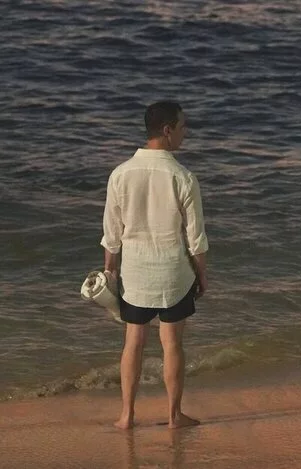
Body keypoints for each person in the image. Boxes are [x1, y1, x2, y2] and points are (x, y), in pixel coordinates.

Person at [101, 101, 208, 429]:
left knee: (133, 342)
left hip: (135, 275)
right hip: (174, 273)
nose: (185, 133)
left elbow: (111, 235)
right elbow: (196, 239)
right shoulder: (183, 176)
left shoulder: (120, 174)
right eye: (182, 126)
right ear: (167, 130)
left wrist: (109, 272)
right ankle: (174, 416)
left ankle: (126, 415)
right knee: (172, 343)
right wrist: (202, 276)